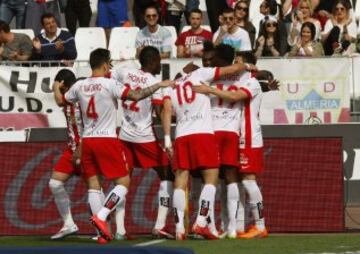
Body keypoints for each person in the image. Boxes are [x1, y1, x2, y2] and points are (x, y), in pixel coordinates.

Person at [53, 48, 174, 244]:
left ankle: (103, 234)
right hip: (106, 139)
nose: (110, 66)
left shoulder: (79, 85)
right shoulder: (110, 84)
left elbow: (60, 101)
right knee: (123, 183)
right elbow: (136, 95)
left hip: (87, 140)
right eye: (109, 63)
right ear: (103, 64)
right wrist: (159, 84)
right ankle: (101, 216)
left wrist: (56, 86)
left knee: (93, 186)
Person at [162, 49, 256, 240]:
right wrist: (246, 65)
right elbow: (229, 69)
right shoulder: (201, 74)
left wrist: (166, 138)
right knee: (211, 179)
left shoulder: (173, 85)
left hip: (180, 134)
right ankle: (201, 221)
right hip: (203, 133)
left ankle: (180, 228)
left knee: (181, 180)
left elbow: (166, 110)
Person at [193, 59, 270, 240]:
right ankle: (233, 227)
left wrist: (210, 89)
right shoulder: (245, 80)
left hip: (250, 136)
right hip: (241, 135)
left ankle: (260, 226)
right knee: (241, 179)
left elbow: (236, 96)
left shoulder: (252, 82)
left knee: (249, 180)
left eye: (239, 62)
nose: (236, 65)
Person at [111, 46, 174, 239]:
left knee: (122, 181)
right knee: (168, 174)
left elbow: (108, 73)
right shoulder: (154, 81)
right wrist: (167, 139)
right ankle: (160, 225)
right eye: (159, 62)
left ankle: (120, 230)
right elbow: (160, 111)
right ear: (154, 61)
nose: (160, 66)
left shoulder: (124, 71)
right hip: (144, 137)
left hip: (124, 136)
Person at [49, 69, 83, 240]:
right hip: (72, 148)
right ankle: (69, 224)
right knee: (55, 183)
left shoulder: (80, 95)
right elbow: (60, 101)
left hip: (86, 148)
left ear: (63, 85)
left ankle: (105, 228)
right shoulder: (69, 97)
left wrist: (56, 87)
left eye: (59, 86)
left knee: (95, 188)